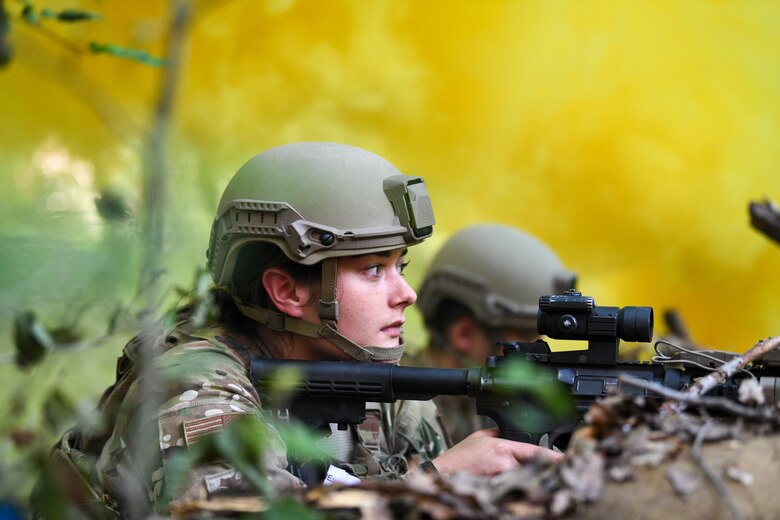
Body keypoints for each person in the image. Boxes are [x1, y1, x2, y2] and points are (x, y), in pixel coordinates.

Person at [47, 143, 560, 517]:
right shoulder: (192, 385)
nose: (406, 294)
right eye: (374, 270)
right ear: (287, 291)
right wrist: (439, 481)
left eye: (401, 266)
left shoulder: (389, 390)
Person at [409, 223, 577, 443]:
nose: (541, 351)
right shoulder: (395, 408)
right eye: (526, 338)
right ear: (464, 335)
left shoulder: (505, 400)